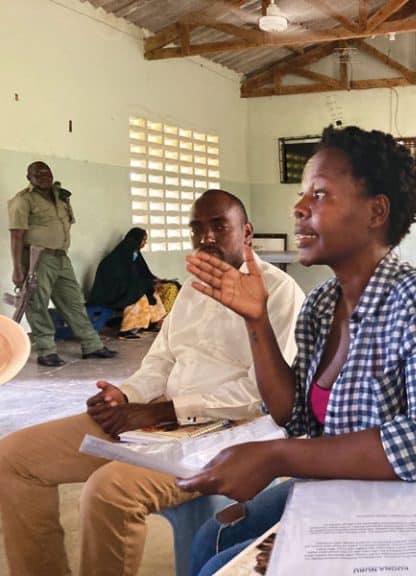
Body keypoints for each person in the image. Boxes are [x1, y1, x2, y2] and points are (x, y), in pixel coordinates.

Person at [179, 126, 416, 575]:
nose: (298, 208)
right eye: (302, 195)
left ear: (376, 211)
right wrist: (256, 320)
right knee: (210, 540)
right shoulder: (321, 305)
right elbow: (294, 415)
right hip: (354, 487)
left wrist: (278, 456)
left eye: (318, 195)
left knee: (218, 569)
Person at [0, 189, 305, 576]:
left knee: (108, 492)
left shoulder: (280, 292)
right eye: (197, 229)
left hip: (227, 435)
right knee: (14, 458)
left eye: (219, 226)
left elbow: (260, 397)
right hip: (156, 421)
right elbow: (161, 359)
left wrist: (163, 411)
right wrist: (125, 395)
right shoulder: (193, 288)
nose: (206, 237)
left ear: (246, 232)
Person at [7, 161, 117, 366]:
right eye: (38, 174)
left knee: (74, 301)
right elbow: (16, 235)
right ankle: (46, 351)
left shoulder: (61, 197)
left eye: (47, 173)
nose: (44, 177)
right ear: (29, 178)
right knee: (37, 303)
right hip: (37, 257)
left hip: (61, 258)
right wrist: (18, 268)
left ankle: (92, 345)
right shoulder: (23, 200)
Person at [89, 227, 174, 339]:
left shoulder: (134, 254)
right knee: (139, 296)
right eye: (144, 240)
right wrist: (148, 283)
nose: (145, 243)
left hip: (124, 287)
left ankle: (151, 324)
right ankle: (125, 330)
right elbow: (123, 280)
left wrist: (154, 280)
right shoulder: (119, 256)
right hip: (110, 292)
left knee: (152, 292)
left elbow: (142, 273)